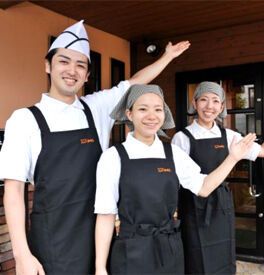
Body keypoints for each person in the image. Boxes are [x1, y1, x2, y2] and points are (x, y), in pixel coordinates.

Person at [0, 20, 190, 275]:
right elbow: (13, 192)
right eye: (64, 61)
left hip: (100, 235)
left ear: (87, 75)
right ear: (48, 65)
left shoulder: (95, 108)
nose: (72, 70)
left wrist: (166, 57)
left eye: (81, 65)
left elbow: (132, 84)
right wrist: (22, 255)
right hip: (53, 243)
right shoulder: (24, 120)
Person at [94, 84, 257, 275]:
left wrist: (232, 158)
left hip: (170, 248)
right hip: (131, 250)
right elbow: (105, 215)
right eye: (142, 109)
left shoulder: (173, 153)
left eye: (157, 109)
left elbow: (203, 187)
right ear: (129, 114)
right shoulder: (113, 157)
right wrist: (100, 267)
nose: (151, 116)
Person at [171, 81, 264, 274]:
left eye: (215, 101)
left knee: (223, 254)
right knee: (195, 256)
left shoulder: (229, 135)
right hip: (193, 205)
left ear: (221, 107)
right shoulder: (182, 138)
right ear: (194, 104)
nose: (209, 106)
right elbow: (175, 180)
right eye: (203, 100)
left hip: (221, 204)